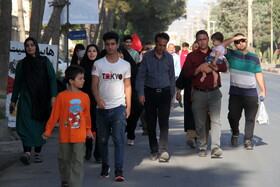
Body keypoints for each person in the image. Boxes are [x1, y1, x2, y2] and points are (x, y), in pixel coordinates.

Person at [42, 65, 93, 187]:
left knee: (78, 161)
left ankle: (75, 184)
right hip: (65, 135)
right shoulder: (61, 96)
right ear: (71, 81)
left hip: (80, 136)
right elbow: (54, 115)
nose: (83, 80)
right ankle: (65, 179)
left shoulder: (85, 97)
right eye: (80, 78)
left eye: (83, 78)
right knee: (64, 160)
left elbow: (86, 116)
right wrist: (48, 131)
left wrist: (88, 130)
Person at [9, 37, 57, 165]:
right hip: (26, 99)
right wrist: (13, 100)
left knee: (39, 126)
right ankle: (27, 152)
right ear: (25, 48)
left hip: (42, 100)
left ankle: (37, 154)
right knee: (24, 125)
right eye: (27, 45)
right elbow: (17, 83)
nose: (29, 47)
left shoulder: (44, 61)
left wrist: (53, 97)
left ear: (36, 46)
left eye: (32, 45)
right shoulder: (22, 64)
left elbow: (52, 79)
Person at [92, 31, 131, 181]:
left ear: (117, 44)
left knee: (118, 139)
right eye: (107, 44)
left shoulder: (125, 65)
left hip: (119, 107)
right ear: (105, 45)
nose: (110, 47)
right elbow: (94, 85)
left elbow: (127, 86)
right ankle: (105, 165)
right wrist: (98, 100)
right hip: (102, 109)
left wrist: (128, 107)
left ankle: (119, 169)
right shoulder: (98, 64)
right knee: (102, 140)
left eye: (113, 44)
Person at [183, 30, 227, 158]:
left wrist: (212, 66)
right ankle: (202, 146)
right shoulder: (192, 56)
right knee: (200, 122)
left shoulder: (215, 52)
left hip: (214, 93)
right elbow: (186, 73)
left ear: (208, 39)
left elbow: (223, 68)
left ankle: (215, 147)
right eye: (199, 40)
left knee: (215, 120)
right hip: (198, 93)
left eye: (204, 39)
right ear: (197, 41)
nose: (202, 42)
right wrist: (198, 69)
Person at [222, 33, 266, 150]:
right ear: (235, 43)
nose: (240, 43)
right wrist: (233, 38)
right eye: (237, 41)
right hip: (236, 93)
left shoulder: (254, 57)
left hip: (251, 93)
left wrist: (263, 90)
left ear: (246, 42)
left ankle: (248, 140)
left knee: (250, 118)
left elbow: (258, 74)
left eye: (242, 40)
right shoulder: (231, 54)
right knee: (232, 116)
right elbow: (219, 47)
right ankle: (235, 132)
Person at [136, 32, 175, 162]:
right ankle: (154, 149)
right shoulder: (147, 58)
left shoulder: (169, 58)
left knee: (164, 123)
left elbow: (171, 79)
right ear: (155, 43)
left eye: (164, 45)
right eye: (159, 45)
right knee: (151, 123)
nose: (162, 48)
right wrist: (141, 93)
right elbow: (140, 76)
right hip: (150, 93)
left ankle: (163, 150)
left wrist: (172, 97)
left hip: (164, 93)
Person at [79, 44, 100, 162]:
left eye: (94, 51)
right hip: (85, 100)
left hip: (98, 100)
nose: (91, 53)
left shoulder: (101, 66)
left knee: (99, 126)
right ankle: (88, 149)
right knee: (87, 125)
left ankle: (98, 152)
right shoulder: (82, 67)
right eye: (89, 51)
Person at [167, 43, 181, 108]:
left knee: (173, 89)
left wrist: (178, 76)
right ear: (167, 48)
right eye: (170, 49)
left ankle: (171, 103)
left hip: (174, 76)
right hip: (166, 75)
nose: (171, 50)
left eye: (172, 49)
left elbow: (178, 67)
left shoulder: (177, 56)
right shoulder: (164, 55)